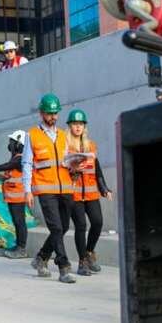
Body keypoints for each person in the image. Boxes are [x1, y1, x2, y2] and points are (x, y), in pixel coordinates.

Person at [24, 93, 77, 284]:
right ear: (41, 113)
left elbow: (66, 160)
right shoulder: (33, 135)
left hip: (65, 188)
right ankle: (63, 266)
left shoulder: (63, 135)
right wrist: (27, 190)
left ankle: (41, 257)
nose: (53, 117)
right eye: (49, 113)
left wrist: (75, 164)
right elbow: (27, 163)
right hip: (45, 188)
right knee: (55, 226)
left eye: (55, 113)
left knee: (61, 228)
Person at [66, 108, 112, 275]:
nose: (77, 127)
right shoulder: (65, 146)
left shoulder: (91, 145)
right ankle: (82, 261)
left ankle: (90, 252)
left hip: (91, 193)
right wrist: (73, 170)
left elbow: (97, 168)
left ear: (84, 126)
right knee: (81, 226)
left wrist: (104, 188)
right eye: (74, 124)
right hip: (75, 194)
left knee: (98, 222)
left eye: (80, 124)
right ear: (69, 126)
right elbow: (62, 170)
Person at [0, 130, 29, 259]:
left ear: (18, 144)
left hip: (18, 197)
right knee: (17, 222)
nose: (10, 145)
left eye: (12, 142)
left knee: (19, 222)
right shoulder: (15, 159)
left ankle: (21, 248)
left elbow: (9, 165)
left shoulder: (21, 158)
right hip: (12, 197)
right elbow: (9, 177)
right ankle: (18, 246)